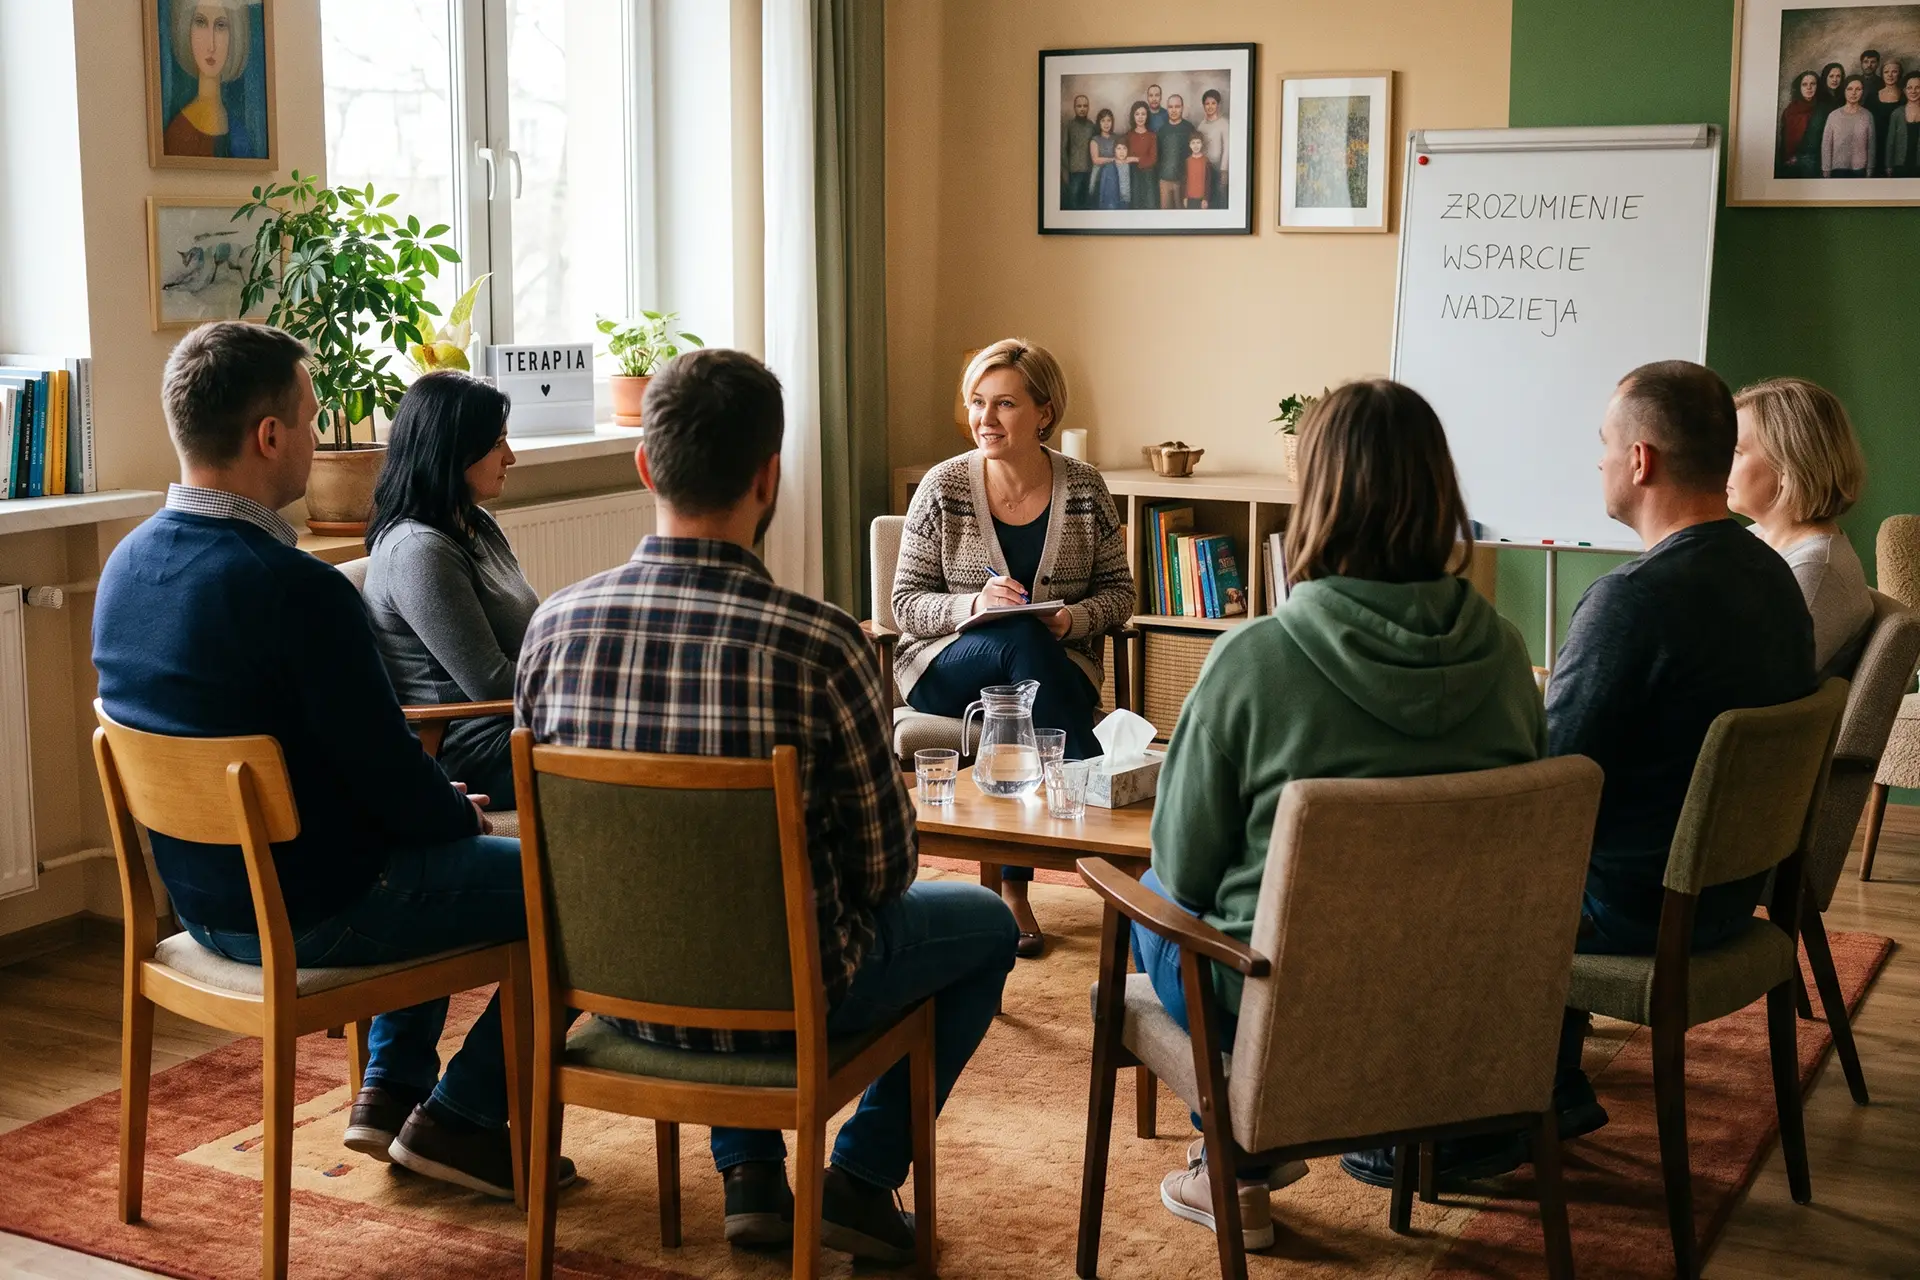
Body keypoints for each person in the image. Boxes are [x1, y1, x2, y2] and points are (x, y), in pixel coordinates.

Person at [515, 348, 1018, 1267]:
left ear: (642, 465)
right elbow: (884, 871)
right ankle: (858, 1182)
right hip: (788, 997)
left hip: (616, 992)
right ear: (770, 474)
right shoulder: (819, 646)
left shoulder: (553, 629)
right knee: (982, 921)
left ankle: (750, 1175)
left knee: (703, 910)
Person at [92, 322, 574, 1199]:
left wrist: (432, 803)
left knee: (436, 848)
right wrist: (456, 811)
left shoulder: (125, 567)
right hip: (316, 909)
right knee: (585, 890)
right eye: (314, 422)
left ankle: (389, 1092)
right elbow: (390, 774)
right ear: (268, 436)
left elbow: (373, 768)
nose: (321, 440)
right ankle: (463, 1120)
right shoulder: (296, 589)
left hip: (203, 910)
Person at [1131, 380, 1545, 1246]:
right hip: (1459, 996)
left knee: (1146, 892)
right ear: (1441, 492)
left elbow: (1186, 867)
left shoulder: (1254, 660)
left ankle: (1232, 1167)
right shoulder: (1506, 655)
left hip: (1282, 1006)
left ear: (1317, 496)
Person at [1548, 361, 1814, 1141]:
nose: (1598, 458)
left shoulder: (1632, 600)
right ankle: (1554, 1084)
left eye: (1605, 442)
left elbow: (1550, 772)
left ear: (1641, 460)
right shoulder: (1772, 581)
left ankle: (1468, 1121)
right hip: (1726, 897)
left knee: (1442, 868)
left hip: (1631, 908)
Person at [891, 339, 1134, 959]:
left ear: (1044, 412)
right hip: (945, 666)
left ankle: (1014, 892)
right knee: (1017, 640)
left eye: (1004, 404)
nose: (985, 419)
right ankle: (1108, 834)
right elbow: (904, 605)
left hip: (1056, 663)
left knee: (1023, 674)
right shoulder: (944, 487)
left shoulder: (1084, 489)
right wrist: (975, 606)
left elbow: (1120, 594)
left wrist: (1070, 619)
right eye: (977, 403)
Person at [363, 370, 537, 807]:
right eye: (497, 444)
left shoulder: (478, 524)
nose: (510, 458)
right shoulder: (419, 552)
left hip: (520, 722)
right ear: (453, 452)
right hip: (473, 749)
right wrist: (581, 676)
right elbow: (492, 684)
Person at [1728, 376, 1872, 679]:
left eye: (1737, 452)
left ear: (1788, 463)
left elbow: (1761, 685)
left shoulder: (1817, 569)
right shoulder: (1759, 538)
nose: (1721, 463)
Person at [163, 1, 262, 159]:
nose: (211, 45)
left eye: (221, 25)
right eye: (200, 22)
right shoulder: (179, 132)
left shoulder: (239, 131)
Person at [1823, 75, 1878, 176]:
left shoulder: (1867, 115)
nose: (1853, 93)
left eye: (1858, 89)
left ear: (1863, 92)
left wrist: (1870, 168)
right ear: (1844, 91)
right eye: (1850, 89)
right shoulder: (1833, 115)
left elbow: (1871, 146)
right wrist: (1826, 168)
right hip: (1838, 169)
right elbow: (1826, 145)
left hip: (1860, 169)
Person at [1157, 93, 1199, 208]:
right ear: (1167, 109)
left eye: (1177, 106)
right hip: (1164, 181)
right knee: (1165, 217)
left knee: (1182, 215)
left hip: (1183, 181)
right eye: (1170, 107)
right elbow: (1159, 155)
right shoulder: (1162, 130)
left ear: (1182, 108)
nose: (1174, 110)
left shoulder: (1189, 128)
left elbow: (1195, 155)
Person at [1777, 70, 1822, 177]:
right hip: (1790, 162)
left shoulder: (1822, 109)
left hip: (1814, 162)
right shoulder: (1790, 111)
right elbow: (1784, 140)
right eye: (1804, 84)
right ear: (1799, 87)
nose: (1809, 88)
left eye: (1813, 84)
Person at [1196, 88, 1230, 206]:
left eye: (1213, 103)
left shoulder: (1224, 124)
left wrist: (1224, 170)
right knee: (1206, 200)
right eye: (1207, 103)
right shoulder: (1201, 125)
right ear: (1203, 106)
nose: (1210, 106)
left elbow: (1227, 149)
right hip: (1205, 169)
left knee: (1219, 199)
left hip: (1219, 170)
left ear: (1218, 105)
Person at [1124, 101, 1160, 210]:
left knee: (1150, 205)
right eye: (1137, 114)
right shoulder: (1128, 136)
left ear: (1147, 116)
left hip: (1149, 177)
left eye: (1143, 114)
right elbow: (1123, 158)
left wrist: (1135, 159)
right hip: (1133, 176)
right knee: (1135, 205)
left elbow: (1153, 159)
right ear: (1133, 116)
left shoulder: (1152, 136)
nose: (1140, 117)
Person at [1062, 93, 1096, 210]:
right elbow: (1063, 149)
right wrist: (1067, 168)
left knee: (1087, 200)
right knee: (1074, 201)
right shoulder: (1069, 126)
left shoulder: (1092, 126)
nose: (1082, 109)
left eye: (1085, 106)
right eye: (1079, 106)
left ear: (1088, 107)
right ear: (1074, 107)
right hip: (1074, 171)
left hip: (1090, 170)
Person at [1887, 70, 1920, 176]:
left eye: (1917, 87)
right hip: (1900, 166)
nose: (1913, 91)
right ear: (1904, 90)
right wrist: (1888, 165)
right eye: (1909, 88)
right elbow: (1890, 142)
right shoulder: (1897, 113)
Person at [1088, 107, 1120, 207]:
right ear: (1099, 123)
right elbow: (1096, 160)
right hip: (1100, 175)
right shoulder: (1095, 140)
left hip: (1115, 174)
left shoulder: (1116, 138)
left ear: (1112, 122)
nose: (1106, 124)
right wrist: (1112, 159)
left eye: (1109, 120)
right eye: (1103, 121)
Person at [1869, 58, 1906, 141]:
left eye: (1894, 72)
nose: (1890, 75)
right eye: (1886, 72)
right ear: (1882, 75)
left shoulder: (1906, 97)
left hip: (1899, 142)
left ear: (1899, 74)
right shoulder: (1872, 97)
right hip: (1877, 142)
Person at [1100, 138, 1136, 210]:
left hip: (1128, 202)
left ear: (1128, 150)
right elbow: (1102, 189)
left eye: (1124, 148)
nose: (1121, 152)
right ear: (1114, 150)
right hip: (1112, 203)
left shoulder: (1132, 167)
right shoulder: (1108, 168)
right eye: (1118, 148)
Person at [1183, 133, 1212, 209]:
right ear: (1189, 145)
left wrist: (1205, 199)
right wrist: (1185, 197)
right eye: (1193, 143)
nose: (1196, 146)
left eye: (1198, 142)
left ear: (1202, 144)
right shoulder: (1187, 161)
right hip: (1190, 198)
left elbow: (1208, 181)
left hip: (1202, 199)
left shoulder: (1206, 161)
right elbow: (1185, 180)